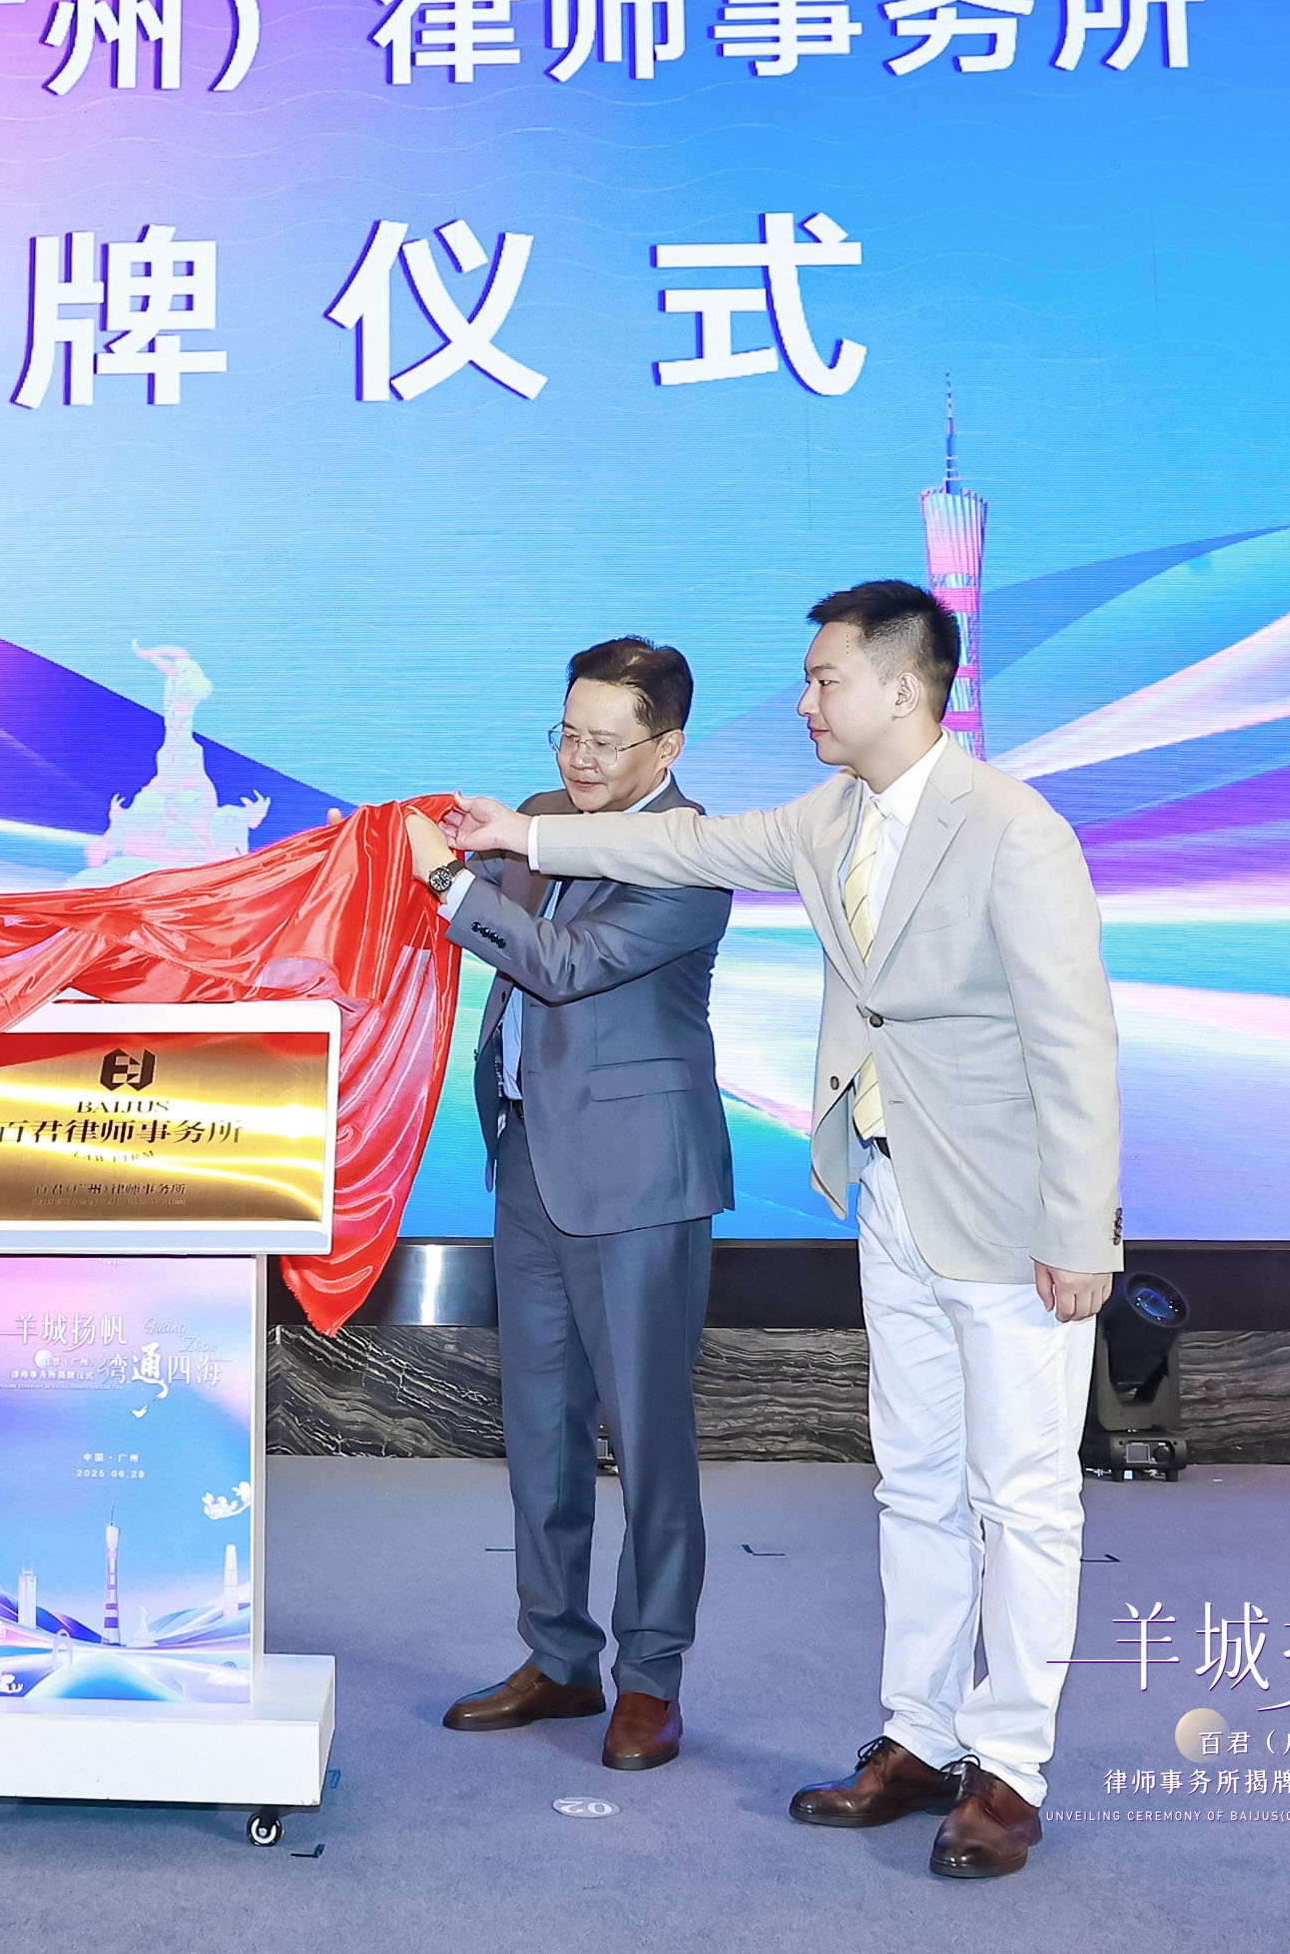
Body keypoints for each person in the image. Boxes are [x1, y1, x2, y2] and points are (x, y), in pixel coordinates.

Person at [447, 579, 1121, 1878]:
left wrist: (1080, 1225)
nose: (803, 699)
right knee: (914, 1482)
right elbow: (681, 848)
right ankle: (917, 1736)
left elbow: (1074, 1036)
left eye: (824, 678)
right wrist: (507, 830)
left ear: (903, 688)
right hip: (892, 1189)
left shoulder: (1012, 828)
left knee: (1021, 1494)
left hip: (1010, 1203)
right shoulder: (831, 816)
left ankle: (1008, 1769)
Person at [402, 638, 731, 1773]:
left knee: (646, 1438)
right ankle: (556, 1656)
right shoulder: (538, 819)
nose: (577, 760)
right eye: (565, 734)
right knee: (539, 1428)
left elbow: (562, 961)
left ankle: (650, 1677)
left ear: (665, 747)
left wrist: (451, 882)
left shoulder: (688, 853)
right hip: (530, 1160)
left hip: (639, 1178)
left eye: (604, 741)